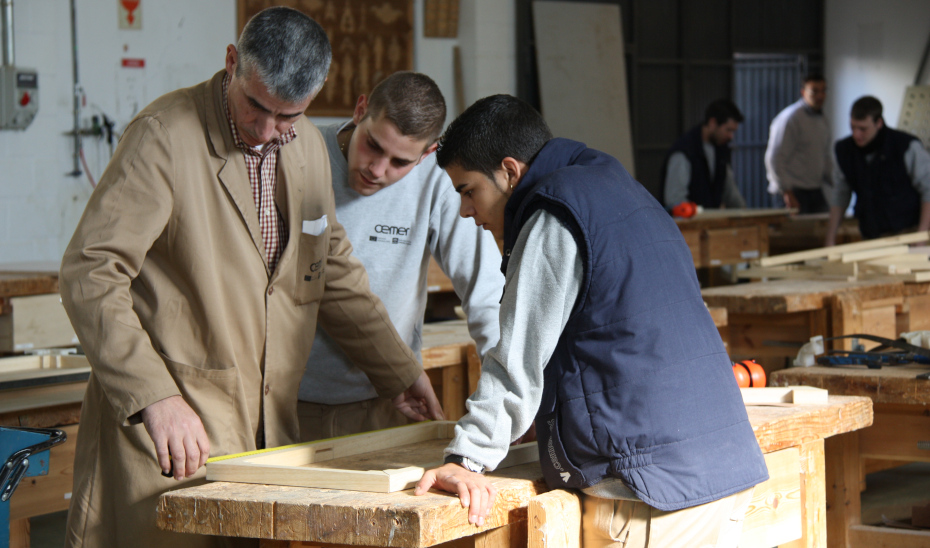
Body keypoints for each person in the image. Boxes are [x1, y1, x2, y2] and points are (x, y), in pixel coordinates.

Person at [59, 8, 441, 548]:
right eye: (256, 105)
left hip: (266, 437)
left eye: (288, 116)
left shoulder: (306, 147)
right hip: (169, 428)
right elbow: (90, 270)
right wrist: (154, 396)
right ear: (232, 63)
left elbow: (329, 269)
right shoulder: (164, 137)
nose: (266, 130)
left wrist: (399, 372)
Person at [414, 95, 768, 547]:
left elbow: (518, 355)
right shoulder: (620, 189)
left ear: (509, 171)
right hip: (719, 465)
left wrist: (468, 459)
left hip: (651, 497)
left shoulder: (555, 214)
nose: (466, 211)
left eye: (468, 191)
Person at [296, 72, 504, 441]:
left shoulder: (438, 180)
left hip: (390, 399)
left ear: (427, 153)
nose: (377, 170)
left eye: (399, 162)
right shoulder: (302, 154)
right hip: (287, 398)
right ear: (361, 110)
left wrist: (505, 397)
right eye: (373, 146)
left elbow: (485, 292)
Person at [826, 96, 930, 245]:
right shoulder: (845, 150)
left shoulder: (905, 146)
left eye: (863, 129)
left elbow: (928, 190)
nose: (857, 135)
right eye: (853, 127)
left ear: (879, 123)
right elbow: (840, 194)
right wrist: (830, 239)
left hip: (908, 234)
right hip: (871, 235)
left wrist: (921, 237)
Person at [662, 98, 747, 210]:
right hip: (686, 225)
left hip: (710, 224)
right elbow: (675, 200)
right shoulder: (684, 151)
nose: (731, 136)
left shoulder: (721, 150)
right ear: (712, 123)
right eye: (728, 130)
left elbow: (730, 190)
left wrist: (744, 213)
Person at [764, 74, 833, 212]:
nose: (820, 96)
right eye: (814, 91)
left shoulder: (822, 119)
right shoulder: (790, 118)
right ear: (803, 92)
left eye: (823, 91)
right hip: (792, 191)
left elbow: (824, 157)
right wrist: (786, 191)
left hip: (814, 191)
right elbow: (775, 158)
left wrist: (839, 182)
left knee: (823, 229)